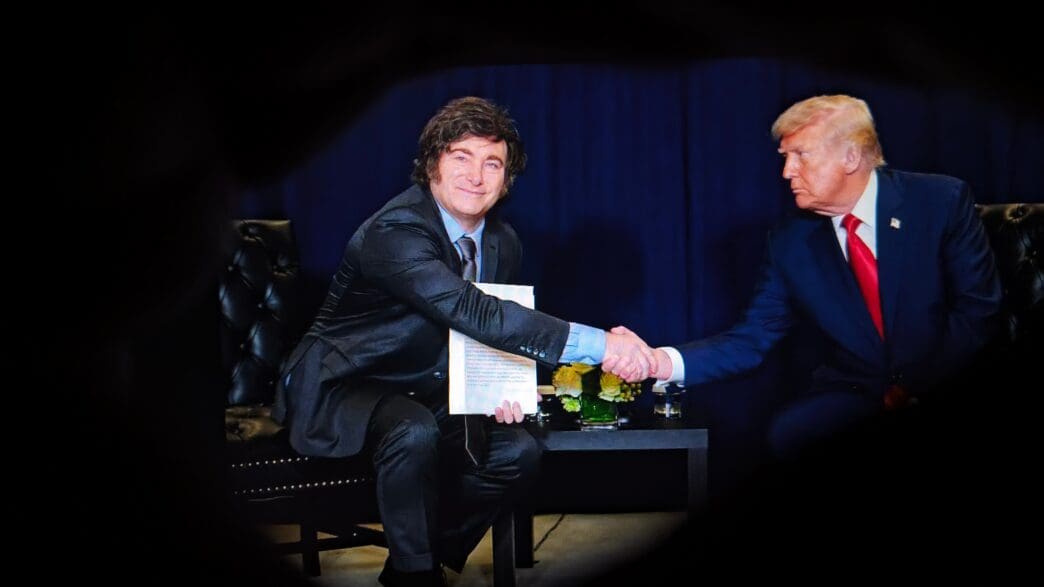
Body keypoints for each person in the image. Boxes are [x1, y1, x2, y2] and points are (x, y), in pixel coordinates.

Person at [273, 96, 655, 586]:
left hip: (425, 387)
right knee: (411, 430)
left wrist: (498, 391)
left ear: (507, 177)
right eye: (461, 157)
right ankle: (418, 576)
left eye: (491, 163)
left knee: (519, 452)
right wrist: (603, 346)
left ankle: (414, 562)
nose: (476, 176)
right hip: (345, 383)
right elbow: (475, 311)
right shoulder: (395, 232)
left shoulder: (504, 242)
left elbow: (481, 334)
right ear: (433, 164)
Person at [608, 94, 1002, 459]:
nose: (786, 171)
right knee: (788, 432)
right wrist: (658, 361)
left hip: (944, 373)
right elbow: (751, 340)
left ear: (850, 157)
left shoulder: (940, 201)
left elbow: (977, 312)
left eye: (800, 155)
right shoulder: (790, 241)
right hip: (856, 390)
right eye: (785, 157)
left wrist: (921, 385)